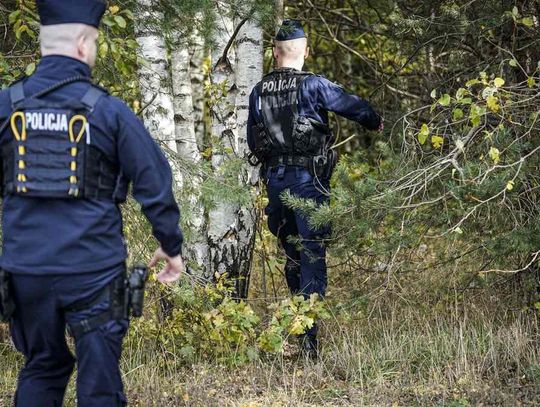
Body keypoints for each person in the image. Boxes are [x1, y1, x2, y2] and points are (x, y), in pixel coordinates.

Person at [0, 1, 185, 405]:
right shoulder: (108, 111)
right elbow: (153, 181)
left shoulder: (5, 107)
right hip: (92, 272)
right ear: (83, 43)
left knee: (43, 366)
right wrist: (171, 246)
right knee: (100, 381)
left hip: (26, 272)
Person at [247, 19, 383, 356]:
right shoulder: (314, 85)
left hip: (276, 182)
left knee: (292, 255)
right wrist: (375, 120)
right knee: (310, 254)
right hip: (309, 182)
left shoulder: (258, 92)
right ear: (306, 51)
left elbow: (253, 139)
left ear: (275, 53)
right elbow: (353, 106)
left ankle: (301, 331)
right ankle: (308, 339)